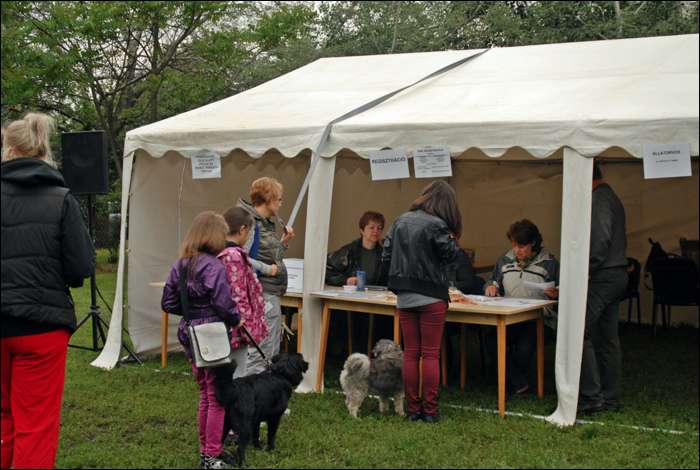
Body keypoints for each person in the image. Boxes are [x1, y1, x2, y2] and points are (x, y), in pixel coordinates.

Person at [1, 112, 95, 469]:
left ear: (8, 149)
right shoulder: (61, 199)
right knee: (35, 425)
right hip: (41, 328)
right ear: (43, 150)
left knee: (5, 418)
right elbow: (80, 268)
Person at [161, 211, 240, 469]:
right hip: (212, 334)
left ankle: (207, 451)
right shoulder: (214, 266)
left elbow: (168, 302)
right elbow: (223, 303)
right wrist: (235, 318)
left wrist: (191, 311)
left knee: (205, 394)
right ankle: (211, 455)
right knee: (216, 396)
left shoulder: (180, 265)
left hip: (189, 333)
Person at [382, 180, 462, 423]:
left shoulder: (400, 220)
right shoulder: (438, 225)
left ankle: (412, 409)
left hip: (404, 296)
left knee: (410, 354)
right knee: (430, 355)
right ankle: (430, 411)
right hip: (432, 296)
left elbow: (386, 254)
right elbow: (452, 255)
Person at [484, 219, 559, 395]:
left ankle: (512, 379)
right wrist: (490, 286)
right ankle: (518, 381)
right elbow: (493, 280)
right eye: (514, 245)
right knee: (490, 339)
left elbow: (566, 290)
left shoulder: (549, 263)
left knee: (525, 346)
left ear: (533, 243)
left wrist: (557, 293)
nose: (517, 250)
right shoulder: (505, 260)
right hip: (510, 316)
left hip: (540, 319)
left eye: (522, 246)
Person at [578, 161, 628, 415]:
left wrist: (583, 269)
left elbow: (599, 240)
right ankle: (609, 397)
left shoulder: (599, 198)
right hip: (617, 273)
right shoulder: (611, 196)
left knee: (579, 331)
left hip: (603, 275)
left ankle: (591, 397)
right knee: (608, 339)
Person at [237, 177, 295, 375]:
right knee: (261, 348)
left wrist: (283, 243)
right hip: (260, 292)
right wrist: (266, 269)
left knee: (269, 346)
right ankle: (252, 397)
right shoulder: (250, 223)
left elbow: (270, 257)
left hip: (269, 291)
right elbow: (239, 259)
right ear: (268, 199)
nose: (280, 203)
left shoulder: (265, 223)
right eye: (279, 198)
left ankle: (264, 397)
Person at [219, 207, 269, 379]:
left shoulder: (220, 251)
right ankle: (234, 405)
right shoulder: (233, 255)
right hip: (236, 325)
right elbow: (238, 293)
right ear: (243, 229)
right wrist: (246, 325)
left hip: (226, 322)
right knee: (237, 372)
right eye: (249, 232)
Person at [326, 211, 387, 287]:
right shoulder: (349, 251)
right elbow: (326, 271)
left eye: (379, 228)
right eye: (371, 227)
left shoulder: (385, 253)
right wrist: (346, 280)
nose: (376, 231)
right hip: (352, 296)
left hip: (376, 296)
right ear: (362, 231)